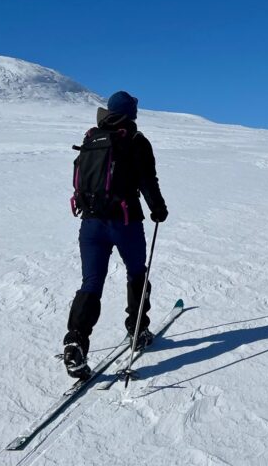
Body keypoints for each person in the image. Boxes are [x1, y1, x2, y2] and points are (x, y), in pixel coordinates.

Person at [62, 91, 169, 379]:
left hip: (91, 222)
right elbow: (148, 180)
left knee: (91, 282)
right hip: (125, 221)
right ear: (131, 113)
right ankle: (138, 331)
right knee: (136, 273)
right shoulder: (135, 140)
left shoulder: (92, 138)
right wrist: (158, 209)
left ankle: (75, 341)